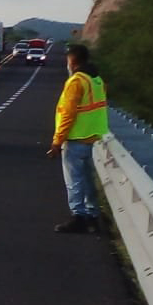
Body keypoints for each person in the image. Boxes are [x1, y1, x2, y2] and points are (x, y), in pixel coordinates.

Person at [46, 43, 108, 233]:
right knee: (88, 181)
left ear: (72, 61)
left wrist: (57, 141)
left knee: (74, 181)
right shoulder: (97, 80)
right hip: (94, 138)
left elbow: (68, 114)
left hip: (76, 139)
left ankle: (78, 216)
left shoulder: (76, 82)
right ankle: (93, 215)